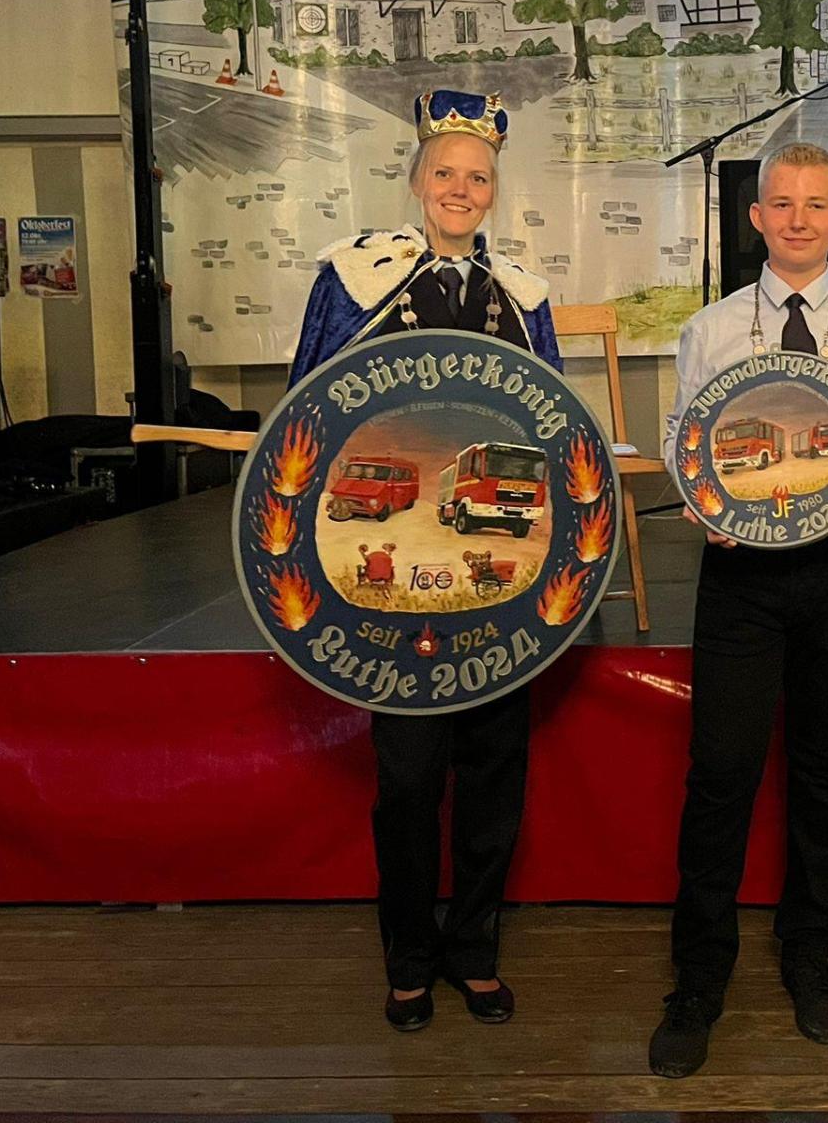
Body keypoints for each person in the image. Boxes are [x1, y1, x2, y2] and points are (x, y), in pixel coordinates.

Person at [649, 141, 828, 1078]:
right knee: (721, 772)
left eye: (818, 205)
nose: (800, 219)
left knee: (825, 766)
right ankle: (699, 977)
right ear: (757, 216)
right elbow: (679, 439)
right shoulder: (710, 329)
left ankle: (810, 957)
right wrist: (705, 501)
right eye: (783, 203)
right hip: (740, 578)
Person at [290, 90, 560, 1034]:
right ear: (414, 180)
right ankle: (408, 956)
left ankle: (474, 950)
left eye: (477, 177)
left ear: (493, 190)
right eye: (444, 172)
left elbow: (554, 435)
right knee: (407, 780)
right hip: (387, 581)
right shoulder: (354, 280)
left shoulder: (522, 295)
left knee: (494, 768)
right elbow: (305, 417)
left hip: (498, 575)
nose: (460, 189)